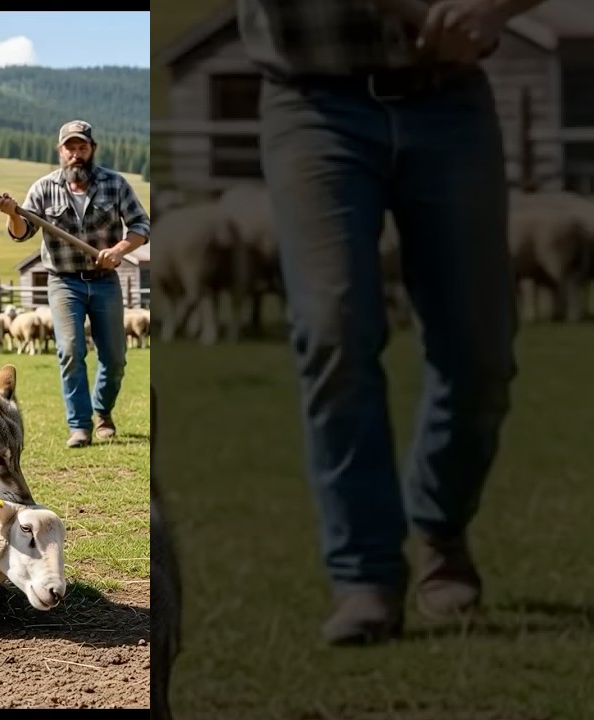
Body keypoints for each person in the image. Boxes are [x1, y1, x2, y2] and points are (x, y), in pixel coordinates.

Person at [235, 0, 549, 645]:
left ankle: (440, 524)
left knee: (480, 349)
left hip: (448, 95)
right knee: (334, 331)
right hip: (314, 103)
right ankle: (365, 575)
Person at [0, 120, 151, 449]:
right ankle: (79, 426)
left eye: (82, 147)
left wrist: (119, 250)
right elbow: (22, 231)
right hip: (63, 282)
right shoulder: (43, 188)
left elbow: (141, 224)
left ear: (92, 149)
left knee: (115, 358)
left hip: (105, 280)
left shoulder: (115, 184)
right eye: (70, 148)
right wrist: (12, 214)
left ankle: (102, 412)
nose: (76, 154)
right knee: (70, 352)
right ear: (60, 151)